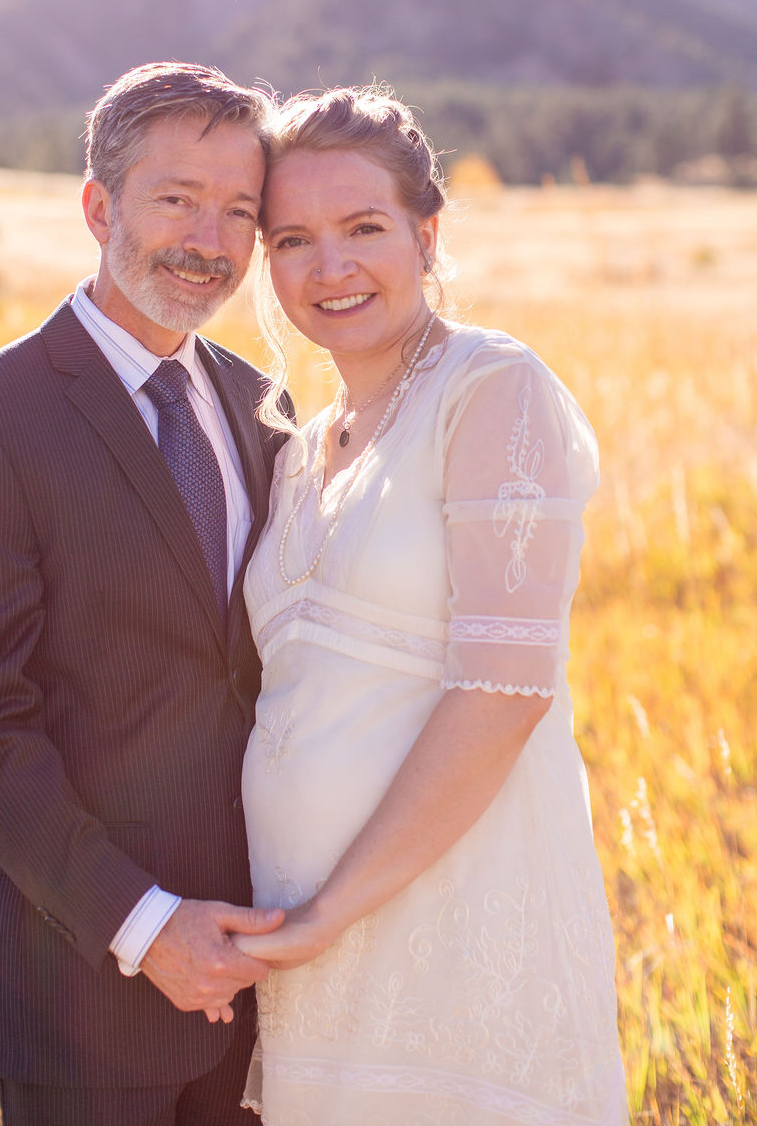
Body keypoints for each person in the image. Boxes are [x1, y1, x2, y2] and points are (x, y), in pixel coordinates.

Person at [0, 61, 290, 1126]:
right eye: (176, 199)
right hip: (87, 986)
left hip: (266, 978)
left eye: (239, 210)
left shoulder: (264, 409)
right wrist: (147, 925)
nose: (209, 239)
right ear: (97, 206)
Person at [234, 86, 629, 1124]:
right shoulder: (296, 447)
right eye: (292, 238)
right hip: (306, 945)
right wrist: (300, 924)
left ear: (426, 232)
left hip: (453, 921)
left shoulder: (491, 388)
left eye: (363, 227)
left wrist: (329, 912)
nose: (330, 268)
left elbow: (503, 689)